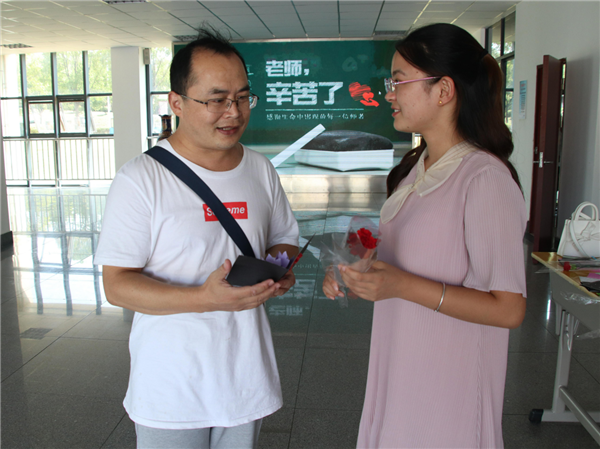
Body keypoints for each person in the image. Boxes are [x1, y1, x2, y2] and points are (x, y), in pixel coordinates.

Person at [323, 23, 527, 448]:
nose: (389, 94)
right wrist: (355, 272)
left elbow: (509, 309)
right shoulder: (416, 167)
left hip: (448, 386)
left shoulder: (485, 179)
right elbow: (404, 251)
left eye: (398, 81)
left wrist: (401, 285)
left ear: (444, 90)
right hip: (401, 361)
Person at [94, 28, 299, 449]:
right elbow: (117, 285)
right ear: (177, 103)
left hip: (245, 378)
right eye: (216, 100)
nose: (234, 112)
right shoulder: (141, 179)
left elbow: (284, 239)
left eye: (243, 97)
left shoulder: (259, 169)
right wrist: (204, 298)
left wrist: (278, 269)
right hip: (171, 386)